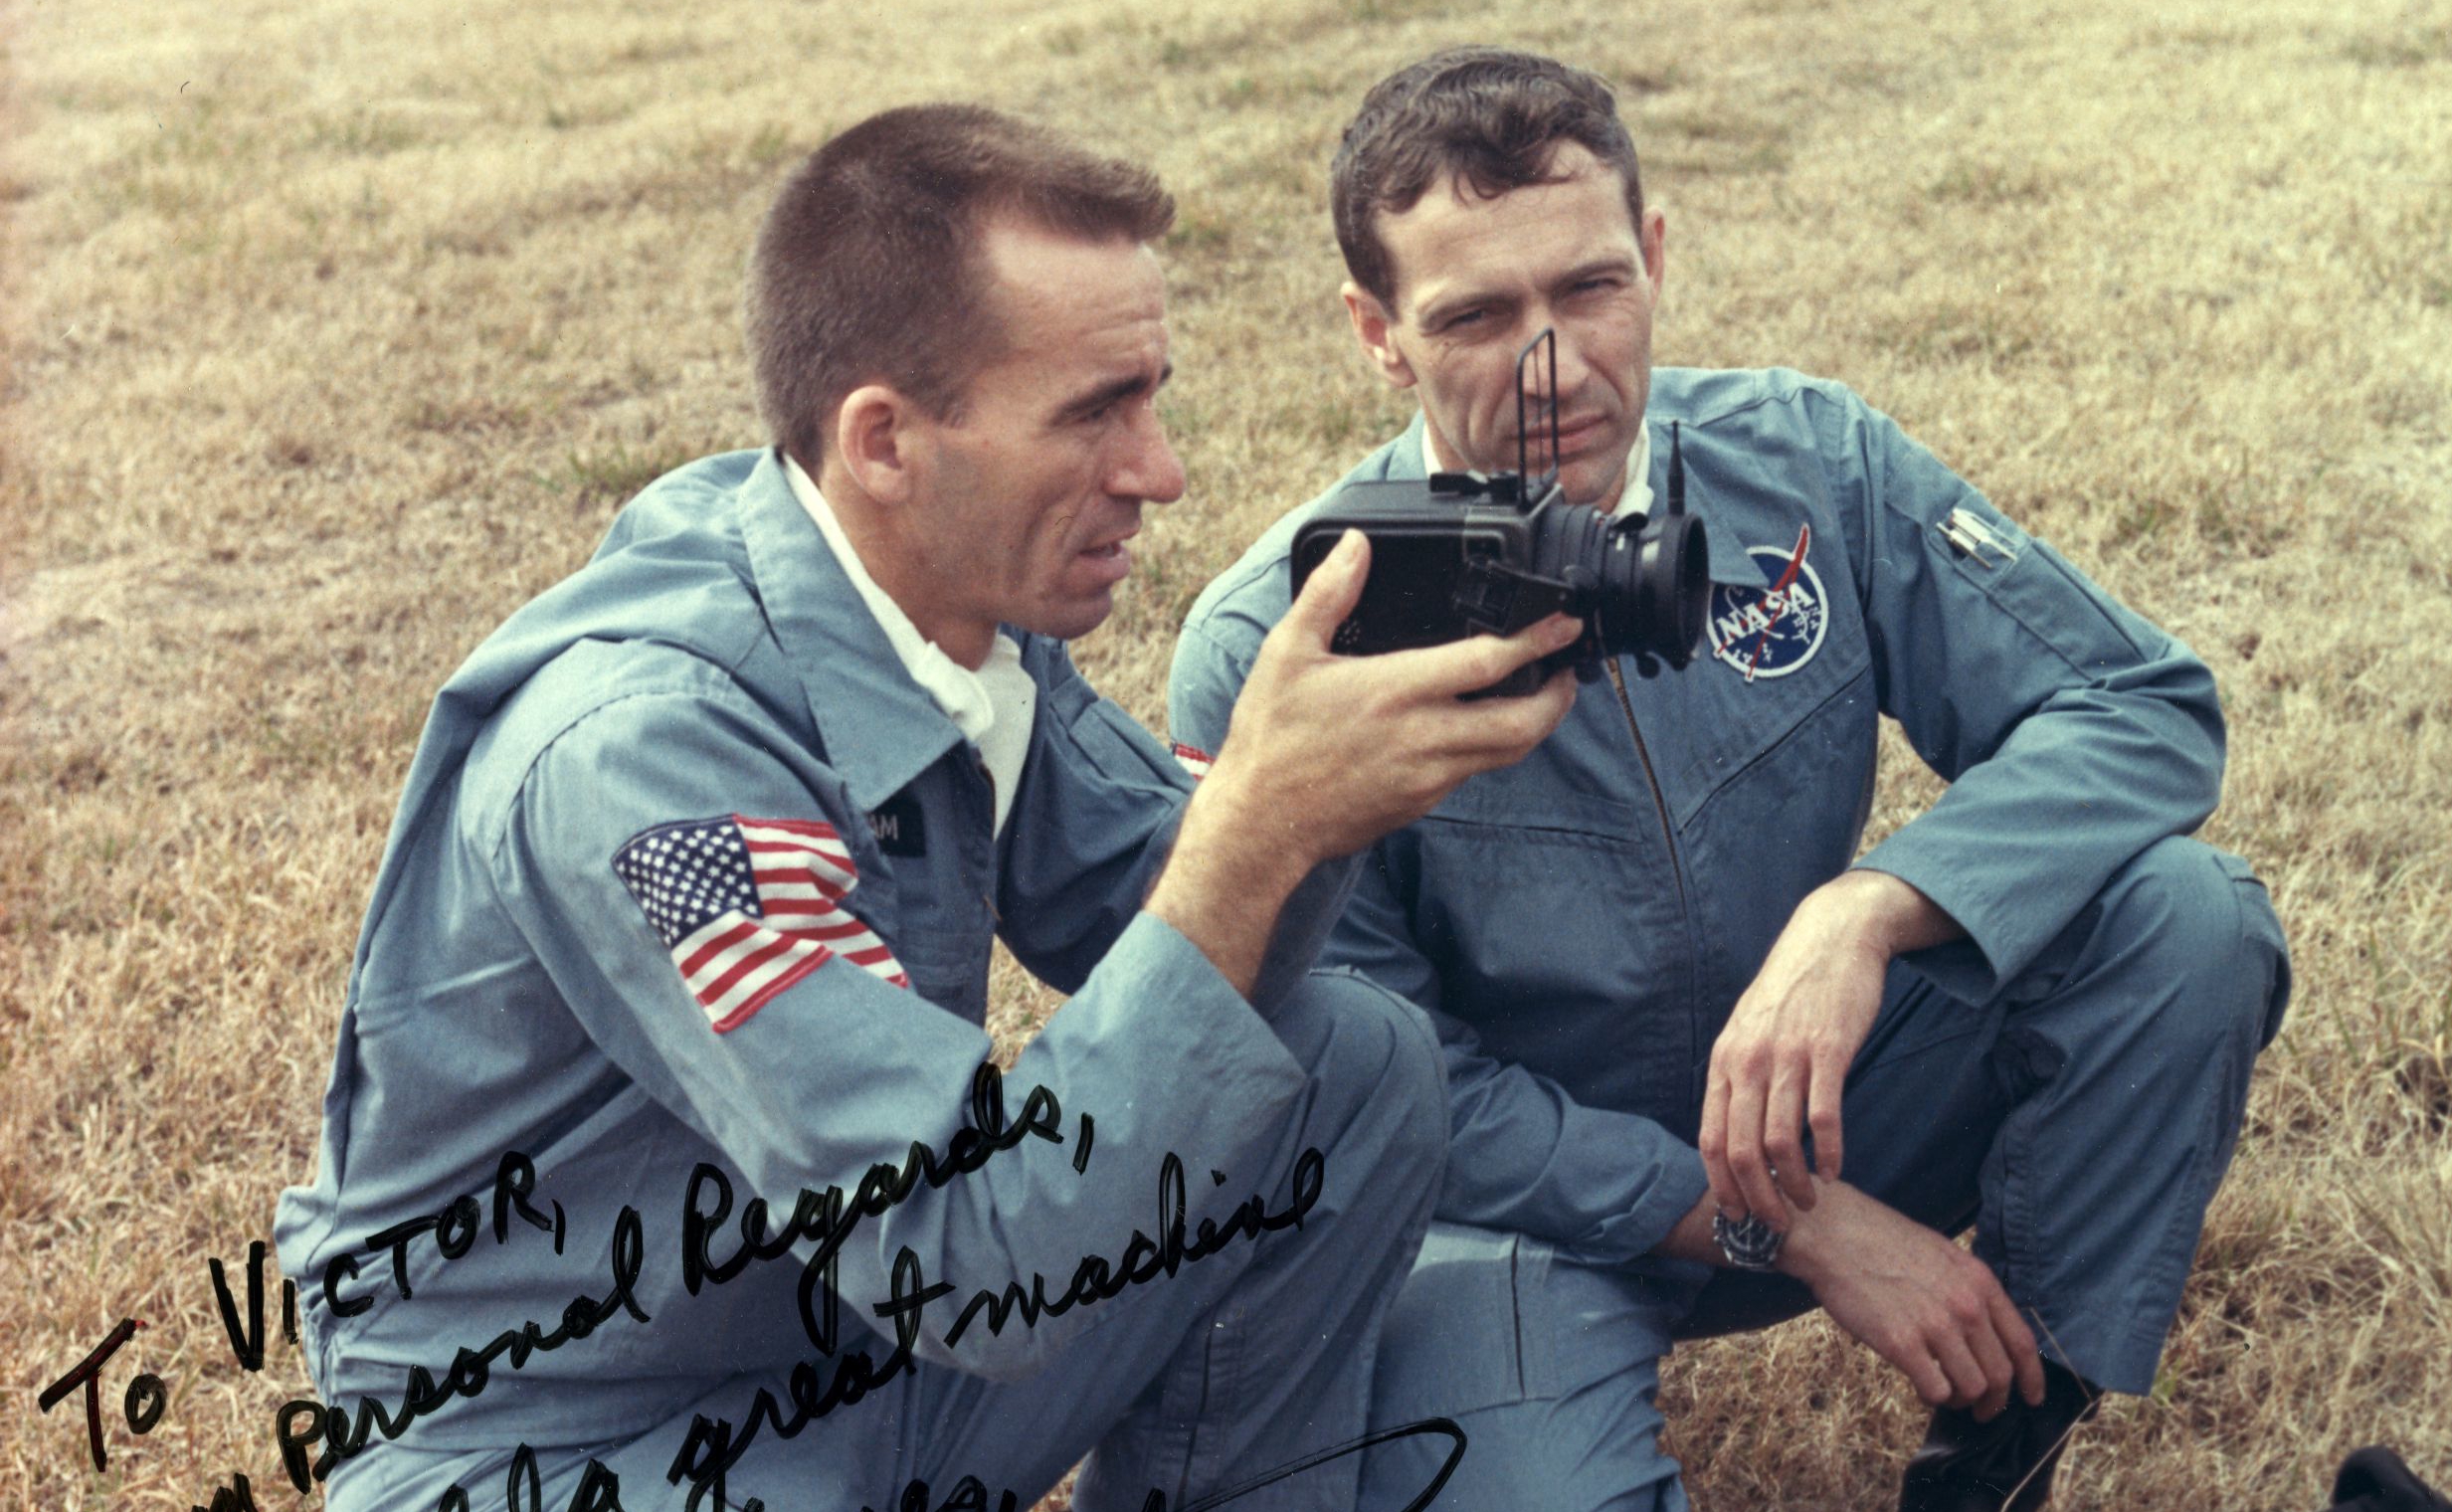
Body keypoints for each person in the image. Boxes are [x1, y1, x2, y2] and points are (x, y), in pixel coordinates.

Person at [272, 102, 1581, 1512]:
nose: (1160, 471)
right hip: (566, 1441)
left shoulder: (941, 606)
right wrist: (1257, 828)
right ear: (885, 443)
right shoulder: (646, 766)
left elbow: (1167, 915)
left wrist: (1328, 790)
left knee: (1342, 1064)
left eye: (1149, 395)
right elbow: (974, 1267)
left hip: (850, 1360)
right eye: (1093, 412)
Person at [1167, 48, 2294, 1512]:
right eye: (1474, 316)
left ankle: (2003, 1439)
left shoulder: (1805, 461)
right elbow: (1383, 1090)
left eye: (1586, 288)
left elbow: (2136, 704)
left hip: (1813, 1103)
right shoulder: (1285, 638)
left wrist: (1867, 911)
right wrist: (1804, 1231)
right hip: (1506, 1214)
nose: (1552, 363)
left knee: (2181, 918)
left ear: (1652, 255)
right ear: (1375, 335)